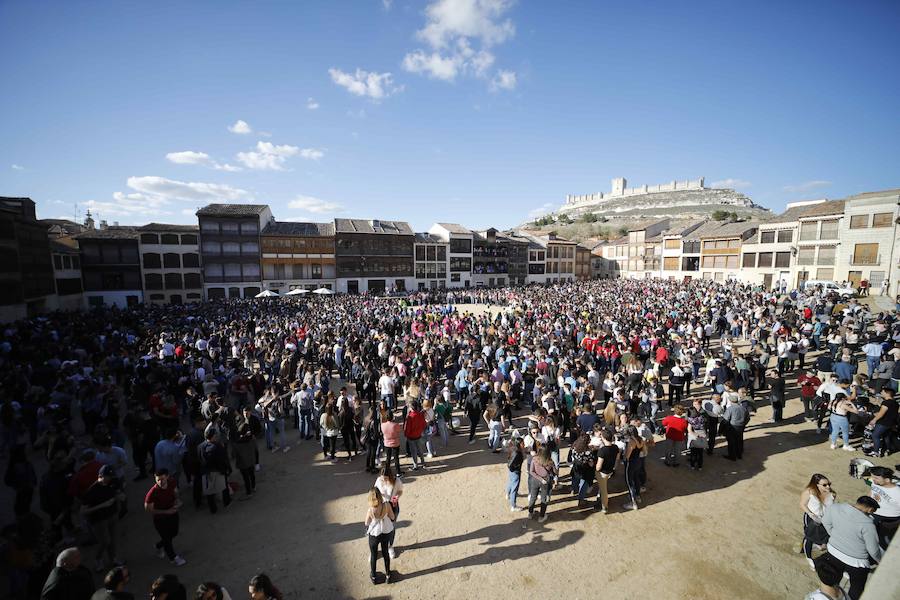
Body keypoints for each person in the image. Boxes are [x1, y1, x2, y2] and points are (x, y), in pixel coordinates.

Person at [821, 496, 882, 600]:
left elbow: (825, 522)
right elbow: (873, 549)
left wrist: (835, 536)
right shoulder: (868, 525)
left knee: (832, 581)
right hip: (857, 562)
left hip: (833, 552)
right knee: (856, 588)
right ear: (870, 509)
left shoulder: (836, 507)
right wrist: (880, 560)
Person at [81, 465, 123, 571]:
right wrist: (102, 505)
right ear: (100, 476)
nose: (110, 478)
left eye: (111, 476)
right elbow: (83, 511)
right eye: (108, 476)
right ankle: (98, 560)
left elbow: (117, 493)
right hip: (99, 519)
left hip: (112, 515)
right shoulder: (92, 491)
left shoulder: (113, 482)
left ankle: (113, 559)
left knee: (113, 540)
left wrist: (119, 498)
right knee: (105, 541)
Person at [144, 468, 186, 566]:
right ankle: (173, 558)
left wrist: (177, 500)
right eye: (157, 479)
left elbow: (176, 492)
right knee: (166, 538)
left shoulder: (172, 482)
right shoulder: (152, 493)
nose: (160, 482)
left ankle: (159, 546)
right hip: (160, 519)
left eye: (162, 479)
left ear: (167, 476)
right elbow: (148, 509)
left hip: (173, 513)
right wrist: (166, 512)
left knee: (174, 533)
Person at [800, 474, 835, 570]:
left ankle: (819, 545)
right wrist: (811, 514)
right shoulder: (809, 492)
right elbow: (802, 504)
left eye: (829, 484)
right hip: (811, 517)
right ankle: (808, 556)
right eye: (824, 485)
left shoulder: (832, 493)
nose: (828, 487)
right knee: (809, 536)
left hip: (825, 518)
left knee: (826, 534)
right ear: (816, 485)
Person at [364, 487, 395, 584]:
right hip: (385, 532)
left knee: (373, 555)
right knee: (385, 553)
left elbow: (366, 523)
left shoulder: (370, 510)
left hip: (374, 534)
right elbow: (392, 517)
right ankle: (388, 575)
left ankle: (373, 576)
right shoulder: (386, 505)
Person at [863, 466, 900, 549]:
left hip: (888, 518)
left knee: (883, 540)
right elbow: (871, 492)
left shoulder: (897, 493)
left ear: (887, 480)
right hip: (873, 512)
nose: (873, 479)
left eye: (876, 478)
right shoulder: (876, 482)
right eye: (872, 477)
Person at [374, 464, 403, 559]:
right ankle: (376, 550)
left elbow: (400, 491)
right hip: (381, 506)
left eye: (386, 479)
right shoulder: (379, 480)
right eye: (382, 478)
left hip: (392, 506)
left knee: (391, 528)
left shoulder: (396, 481)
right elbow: (375, 491)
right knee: (379, 528)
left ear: (390, 476)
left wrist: (397, 496)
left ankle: (390, 547)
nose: (384, 481)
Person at [526, 446, 557, 523]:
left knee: (533, 497)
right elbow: (555, 472)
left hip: (535, 480)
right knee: (544, 499)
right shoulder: (550, 462)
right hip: (545, 481)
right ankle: (541, 516)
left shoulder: (534, 459)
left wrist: (539, 478)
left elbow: (531, 471)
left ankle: (530, 513)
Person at [864, 388, 898, 457]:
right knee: (886, 436)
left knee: (875, 436)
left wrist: (874, 420)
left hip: (883, 423)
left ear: (887, 393)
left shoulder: (886, 402)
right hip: (891, 423)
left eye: (882, 392)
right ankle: (887, 450)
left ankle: (876, 452)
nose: (881, 393)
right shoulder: (895, 403)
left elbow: (881, 414)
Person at [593, 428, 619, 513]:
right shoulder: (615, 447)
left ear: (603, 438)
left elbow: (598, 467)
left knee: (604, 490)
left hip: (602, 473)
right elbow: (617, 459)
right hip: (610, 471)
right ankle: (601, 499)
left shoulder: (602, 450)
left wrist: (595, 469)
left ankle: (604, 507)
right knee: (603, 487)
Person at [506, 436, 525, 511]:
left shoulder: (513, 449)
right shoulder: (517, 453)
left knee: (510, 482)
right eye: (523, 443)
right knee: (515, 488)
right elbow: (511, 464)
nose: (524, 444)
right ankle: (513, 506)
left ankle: (508, 494)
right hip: (515, 472)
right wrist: (514, 469)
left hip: (512, 472)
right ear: (519, 444)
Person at [380, 410, 402, 474]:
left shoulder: (382, 425)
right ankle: (398, 472)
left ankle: (386, 472)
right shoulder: (395, 425)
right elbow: (399, 430)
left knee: (388, 458)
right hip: (395, 442)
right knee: (396, 458)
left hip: (387, 443)